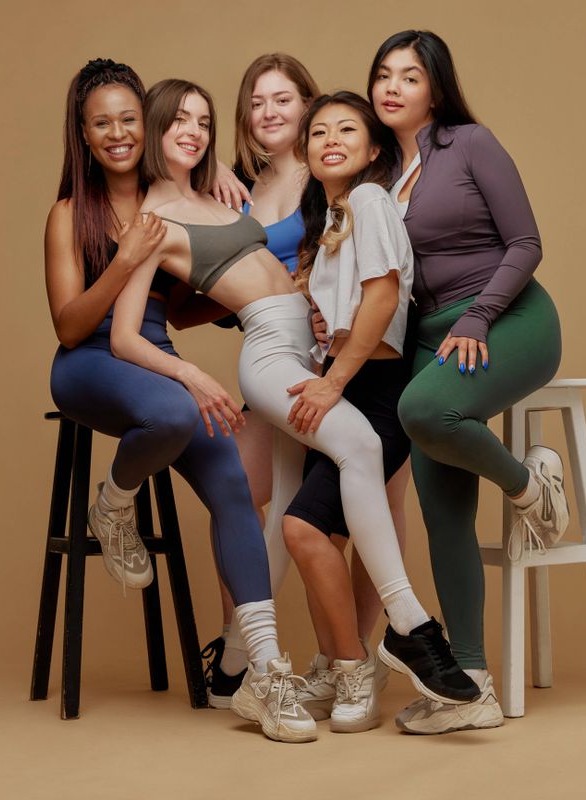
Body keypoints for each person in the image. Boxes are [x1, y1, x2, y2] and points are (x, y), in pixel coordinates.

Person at [109, 77, 482, 726]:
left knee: (293, 514)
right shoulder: (152, 220)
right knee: (354, 447)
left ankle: (251, 665)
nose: (194, 132)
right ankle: (410, 625)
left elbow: (284, 231)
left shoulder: (242, 197)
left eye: (204, 121)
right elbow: (124, 332)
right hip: (271, 355)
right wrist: (192, 377)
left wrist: (217, 170)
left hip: (314, 352)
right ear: (151, 133)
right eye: (178, 123)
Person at [46, 58, 316, 744]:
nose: (118, 133)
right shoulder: (71, 213)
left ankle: (265, 671)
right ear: (83, 132)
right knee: (173, 410)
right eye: (101, 122)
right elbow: (73, 325)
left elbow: (192, 302)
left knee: (230, 477)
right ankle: (113, 506)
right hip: (89, 366)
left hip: (155, 359)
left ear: (148, 125)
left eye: (129, 120)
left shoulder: (173, 199)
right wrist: (126, 260)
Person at [366, 30, 567, 734]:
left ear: (436, 87)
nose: (392, 87)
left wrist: (481, 316)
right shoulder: (380, 170)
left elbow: (527, 243)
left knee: (427, 411)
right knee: (439, 503)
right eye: (383, 75)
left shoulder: (470, 144)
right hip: (431, 336)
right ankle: (472, 687)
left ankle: (527, 489)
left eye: (409, 76)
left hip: (508, 319)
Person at [202, 53, 413, 717]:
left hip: (343, 361)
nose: (268, 112)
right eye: (256, 101)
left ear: (309, 107)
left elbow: (359, 269)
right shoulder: (237, 188)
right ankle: (244, 649)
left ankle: (354, 655)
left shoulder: (330, 180)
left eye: (283, 100)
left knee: (357, 504)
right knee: (244, 494)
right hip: (278, 360)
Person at [278, 90, 417, 732]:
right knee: (322, 542)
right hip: (346, 383)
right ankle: (340, 668)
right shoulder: (332, 218)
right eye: (319, 132)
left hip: (374, 390)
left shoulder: (368, 200)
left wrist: (332, 381)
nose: (330, 139)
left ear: (373, 148)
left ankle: (355, 667)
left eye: (347, 130)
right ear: (306, 152)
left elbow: (383, 300)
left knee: (303, 530)